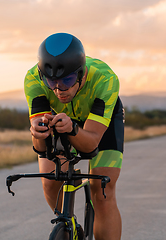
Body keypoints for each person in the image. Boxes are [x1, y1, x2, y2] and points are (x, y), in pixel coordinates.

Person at [24, 32, 124, 240]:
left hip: (98, 124)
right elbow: (41, 148)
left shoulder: (105, 79)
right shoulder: (33, 78)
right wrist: (37, 132)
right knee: (50, 181)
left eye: (67, 80)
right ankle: (70, 226)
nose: (59, 89)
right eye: (51, 82)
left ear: (82, 74)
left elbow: (91, 145)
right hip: (60, 120)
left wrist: (72, 130)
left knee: (103, 190)